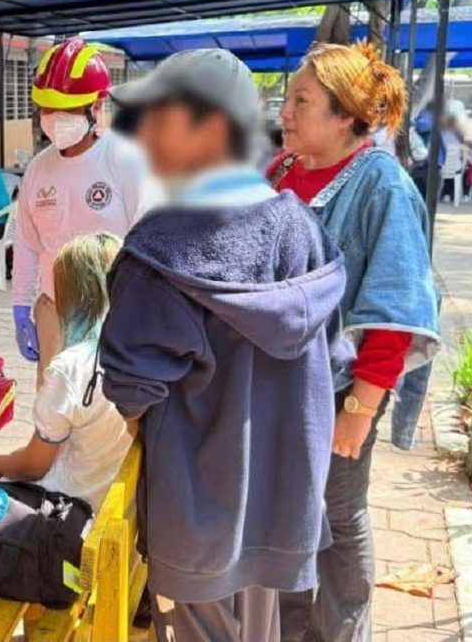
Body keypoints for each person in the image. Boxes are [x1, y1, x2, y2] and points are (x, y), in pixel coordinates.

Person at [101, 49, 348, 642]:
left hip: (195, 512)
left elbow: (132, 387)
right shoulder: (301, 227)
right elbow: (334, 360)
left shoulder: (158, 250)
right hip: (283, 503)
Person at [270, 42, 439, 642]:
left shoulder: (381, 186)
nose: (284, 111)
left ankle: (340, 633)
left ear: (345, 116)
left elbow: (395, 308)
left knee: (338, 517)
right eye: (287, 98)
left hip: (343, 389)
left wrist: (360, 410)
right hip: (283, 387)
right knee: (289, 516)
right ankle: (287, 631)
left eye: (301, 101)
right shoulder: (284, 170)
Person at [12, 37, 156, 390]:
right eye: (46, 110)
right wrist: (20, 306)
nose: (54, 120)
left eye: (66, 111)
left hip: (113, 312)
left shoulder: (126, 161)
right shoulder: (38, 169)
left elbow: (150, 244)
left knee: (108, 416)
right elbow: (28, 245)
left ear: (96, 106)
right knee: (54, 413)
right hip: (53, 311)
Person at [0, 233, 131, 512]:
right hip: (123, 505)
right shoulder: (146, 357)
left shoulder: (71, 368)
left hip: (70, 507)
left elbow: (33, 466)